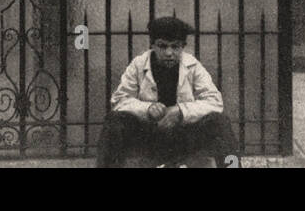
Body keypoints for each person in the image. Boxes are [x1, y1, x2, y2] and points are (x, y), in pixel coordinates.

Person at [96, 16, 237, 168]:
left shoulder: (193, 65)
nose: (169, 53)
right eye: (163, 46)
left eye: (175, 47)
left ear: (183, 47)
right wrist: (147, 109)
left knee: (220, 123)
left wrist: (181, 112)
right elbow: (119, 100)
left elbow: (214, 102)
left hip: (184, 137)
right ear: (153, 46)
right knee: (114, 121)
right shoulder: (138, 65)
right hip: (149, 137)